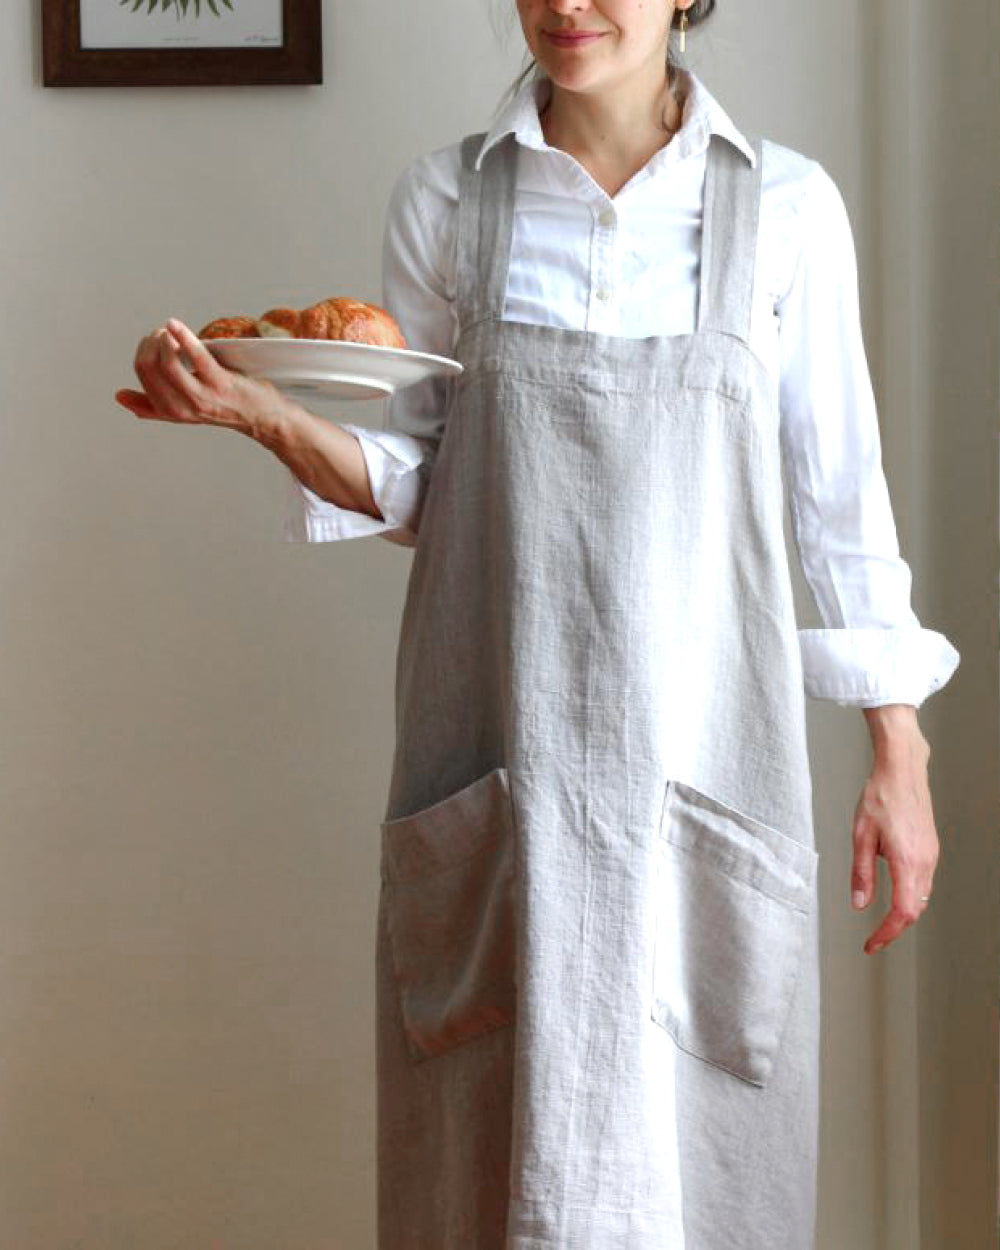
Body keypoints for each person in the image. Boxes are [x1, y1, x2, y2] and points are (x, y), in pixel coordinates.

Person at [116, 1, 961, 1245]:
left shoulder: (785, 206)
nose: (566, 3)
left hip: (706, 770)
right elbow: (423, 483)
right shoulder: (447, 202)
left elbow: (839, 498)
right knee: (489, 1168)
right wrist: (263, 416)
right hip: (502, 760)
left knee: (706, 1174)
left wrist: (901, 752)